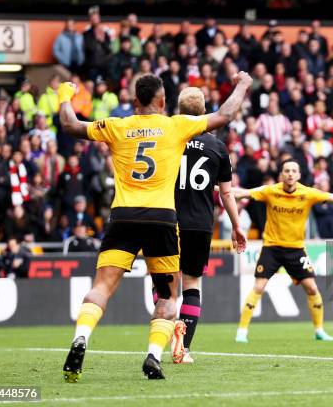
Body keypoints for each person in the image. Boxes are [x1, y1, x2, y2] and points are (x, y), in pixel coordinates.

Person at [58, 70, 253, 381]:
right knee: (167, 295)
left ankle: (81, 337)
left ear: (135, 101)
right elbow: (226, 114)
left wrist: (64, 96)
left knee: (101, 288)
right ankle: (152, 357)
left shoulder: (117, 126)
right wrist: (242, 83)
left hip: (123, 216)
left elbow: (70, 125)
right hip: (162, 220)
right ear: (163, 102)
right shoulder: (176, 125)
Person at [158, 86, 246, 364]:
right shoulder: (218, 147)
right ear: (205, 110)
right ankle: (182, 349)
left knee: (165, 286)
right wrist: (236, 225)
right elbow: (227, 193)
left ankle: (166, 328)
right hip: (200, 224)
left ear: (179, 110)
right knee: (192, 284)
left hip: (167, 220)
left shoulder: (168, 137)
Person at [232, 158, 333, 343]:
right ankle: (242, 331)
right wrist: (215, 188)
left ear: (299, 175)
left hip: (296, 250)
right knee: (259, 286)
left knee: (312, 288)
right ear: (281, 174)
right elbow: (242, 193)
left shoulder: (308, 193)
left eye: (293, 170)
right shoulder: (270, 191)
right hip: (272, 248)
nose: (290, 174)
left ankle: (319, 330)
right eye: (286, 170)